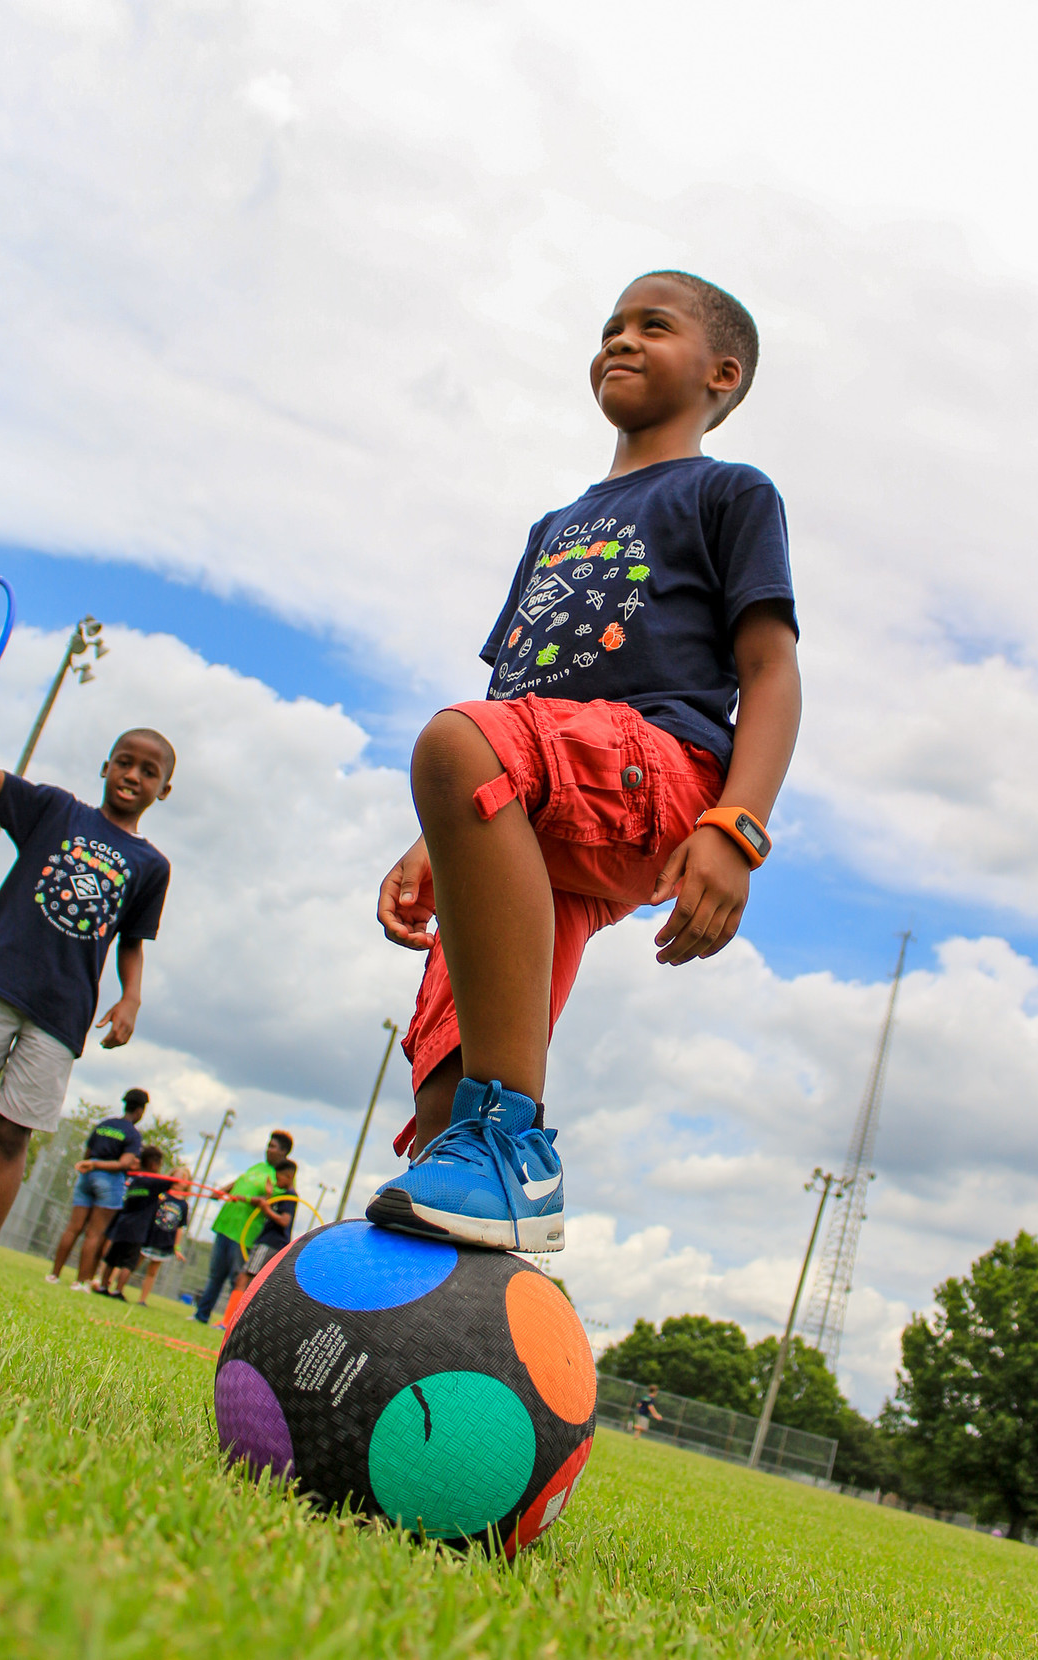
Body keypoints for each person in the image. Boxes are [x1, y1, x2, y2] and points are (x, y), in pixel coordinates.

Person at [371, 271, 800, 1251]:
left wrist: (735, 826)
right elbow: (514, 702)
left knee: (453, 738)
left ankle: (512, 1148)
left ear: (720, 374)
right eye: (609, 326)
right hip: (534, 799)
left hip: (657, 775)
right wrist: (439, 831)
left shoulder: (726, 492)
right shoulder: (550, 531)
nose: (621, 339)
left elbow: (771, 670)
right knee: (451, 1069)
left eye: (654, 326)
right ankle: (449, 1266)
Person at [0, 723, 173, 1300]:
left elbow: (131, 941)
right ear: (105, 766)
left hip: (60, 1013)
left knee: (10, 1136)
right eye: (125, 762)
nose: (133, 776)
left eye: (149, 771)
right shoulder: (55, 809)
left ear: (164, 790)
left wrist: (131, 998)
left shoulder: (151, 865)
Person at [48, 1087, 150, 1289]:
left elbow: (88, 1152)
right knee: (95, 1234)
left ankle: (54, 1275)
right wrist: (98, 1166)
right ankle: (81, 1281)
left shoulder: (104, 1124)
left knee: (73, 1227)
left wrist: (92, 1165)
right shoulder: (132, 1134)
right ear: (140, 1111)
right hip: (109, 1180)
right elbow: (124, 1163)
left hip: (87, 1176)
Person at [192, 1131, 293, 1324]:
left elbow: (273, 1201)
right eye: (268, 1145)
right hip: (226, 1224)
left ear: (283, 1152)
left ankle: (230, 1322)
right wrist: (221, 1191)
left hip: (245, 1232)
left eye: (272, 1146)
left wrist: (251, 1200)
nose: (267, 1149)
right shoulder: (258, 1166)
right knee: (215, 1275)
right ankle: (201, 1315)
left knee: (237, 1278)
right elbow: (240, 1181)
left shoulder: (280, 1174)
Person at [92, 1145, 173, 1300]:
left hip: (122, 1225)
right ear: (154, 1165)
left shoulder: (135, 1180)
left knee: (112, 1258)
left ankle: (103, 1286)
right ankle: (118, 1290)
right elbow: (170, 1183)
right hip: (138, 1229)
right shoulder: (153, 1182)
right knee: (128, 1263)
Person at [232, 1159, 297, 1291]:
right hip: (269, 1242)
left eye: (278, 1178)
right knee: (250, 1281)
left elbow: (284, 1220)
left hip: (270, 1242)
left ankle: (233, 1311)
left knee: (244, 1278)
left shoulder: (290, 1197)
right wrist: (268, 1195)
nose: (276, 1182)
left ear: (288, 1177)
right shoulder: (283, 1196)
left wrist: (266, 1209)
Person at [133, 1163, 190, 1305]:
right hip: (149, 1236)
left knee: (152, 1272)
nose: (180, 1181)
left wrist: (177, 1248)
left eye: (184, 1178)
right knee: (133, 1263)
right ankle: (115, 1286)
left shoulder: (184, 1205)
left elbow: (180, 1227)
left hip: (164, 1241)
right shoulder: (161, 1194)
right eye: (178, 1177)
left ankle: (142, 1299)